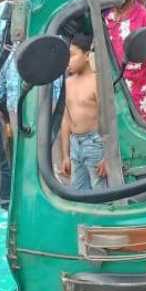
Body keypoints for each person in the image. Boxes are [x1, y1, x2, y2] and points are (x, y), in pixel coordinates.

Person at [60, 34, 104, 191]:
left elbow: (108, 119)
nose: (68, 61)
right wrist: (65, 154)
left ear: (86, 56)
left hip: (95, 143)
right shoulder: (67, 83)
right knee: (78, 191)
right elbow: (66, 119)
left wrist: (107, 157)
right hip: (75, 144)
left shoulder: (97, 81)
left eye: (72, 55)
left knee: (101, 191)